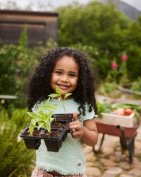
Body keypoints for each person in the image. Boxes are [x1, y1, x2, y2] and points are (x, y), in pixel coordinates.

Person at [27, 47, 99, 177]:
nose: (65, 79)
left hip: (72, 172)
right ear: (48, 74)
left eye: (72, 75)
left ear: (81, 79)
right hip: (44, 172)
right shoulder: (43, 104)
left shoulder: (83, 106)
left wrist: (83, 131)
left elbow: (93, 139)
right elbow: (34, 129)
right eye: (59, 72)